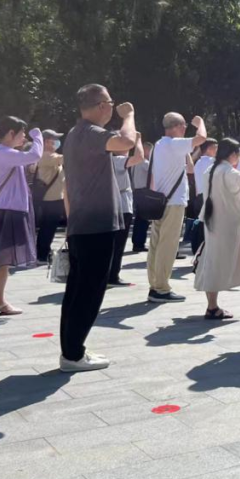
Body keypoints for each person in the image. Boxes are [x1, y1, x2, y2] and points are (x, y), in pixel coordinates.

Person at [60, 84, 138, 371]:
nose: (113, 107)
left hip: (83, 223)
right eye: (110, 103)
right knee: (89, 293)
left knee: (77, 291)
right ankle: (73, 355)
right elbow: (126, 141)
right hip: (96, 225)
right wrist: (129, 115)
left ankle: (72, 350)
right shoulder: (90, 133)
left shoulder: (75, 133)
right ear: (102, 105)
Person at [0, 119, 44, 315]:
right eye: (22, 133)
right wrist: (38, 136)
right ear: (11, 133)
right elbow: (35, 154)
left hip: (1, 210)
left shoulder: (0, 152)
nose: (24, 137)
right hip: (8, 210)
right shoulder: (5, 153)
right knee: (2, 260)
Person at [146, 112, 207, 303]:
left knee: (156, 244)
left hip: (160, 202)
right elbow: (201, 138)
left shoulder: (159, 145)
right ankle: (161, 288)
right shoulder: (174, 143)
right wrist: (200, 123)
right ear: (178, 126)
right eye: (184, 126)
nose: (185, 129)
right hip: (173, 203)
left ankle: (155, 284)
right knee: (168, 245)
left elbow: (188, 166)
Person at [194, 138, 240, 319]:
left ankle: (212, 304)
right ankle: (212, 307)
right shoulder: (231, 173)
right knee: (219, 262)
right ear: (233, 154)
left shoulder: (210, 170)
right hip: (227, 223)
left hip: (212, 220)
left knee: (212, 259)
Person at [108, 134, 144, 286]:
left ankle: (109, 274)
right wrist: (138, 140)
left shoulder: (108, 160)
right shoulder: (118, 160)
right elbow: (139, 157)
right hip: (121, 207)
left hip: (114, 206)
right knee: (118, 244)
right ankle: (112, 276)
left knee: (112, 244)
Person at [33, 130, 66, 263]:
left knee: (48, 228)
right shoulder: (45, 155)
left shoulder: (51, 155)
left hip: (55, 198)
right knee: (47, 228)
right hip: (51, 199)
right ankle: (42, 254)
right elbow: (66, 158)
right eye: (54, 139)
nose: (56, 142)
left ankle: (44, 252)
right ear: (46, 141)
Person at [129, 142, 153, 252]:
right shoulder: (144, 161)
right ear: (146, 150)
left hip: (137, 191)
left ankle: (137, 242)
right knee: (143, 220)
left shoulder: (135, 162)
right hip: (143, 192)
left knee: (139, 219)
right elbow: (152, 171)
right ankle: (139, 243)